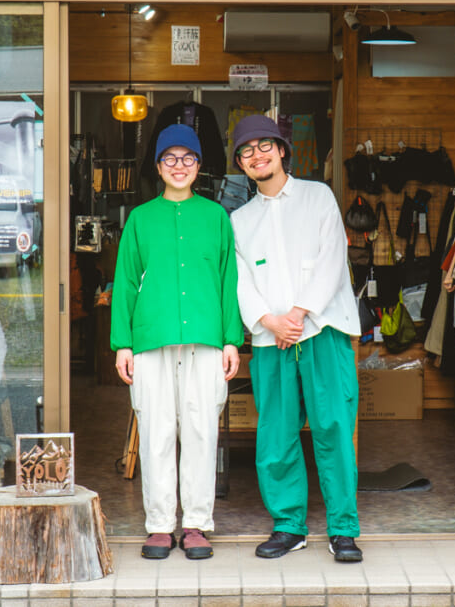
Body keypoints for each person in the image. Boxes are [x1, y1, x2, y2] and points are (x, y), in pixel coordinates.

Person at [229, 115, 363, 563]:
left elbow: (332, 258)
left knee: (334, 430)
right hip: (272, 340)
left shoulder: (317, 196)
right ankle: (289, 526)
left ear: (282, 150)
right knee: (276, 435)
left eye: (264, 146)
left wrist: (299, 314)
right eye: (246, 151)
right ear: (240, 164)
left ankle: (343, 529)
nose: (257, 156)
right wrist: (270, 321)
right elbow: (241, 281)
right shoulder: (239, 220)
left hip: (323, 331)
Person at [111, 123, 243, 561]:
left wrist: (231, 340)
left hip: (206, 339)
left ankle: (197, 524)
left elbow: (229, 282)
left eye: (188, 158)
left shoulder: (216, 217)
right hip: (151, 339)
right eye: (171, 158)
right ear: (159, 166)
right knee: (156, 431)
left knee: (202, 430)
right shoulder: (140, 219)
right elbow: (125, 283)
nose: (179, 166)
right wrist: (122, 344)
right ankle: (160, 525)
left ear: (199, 165)